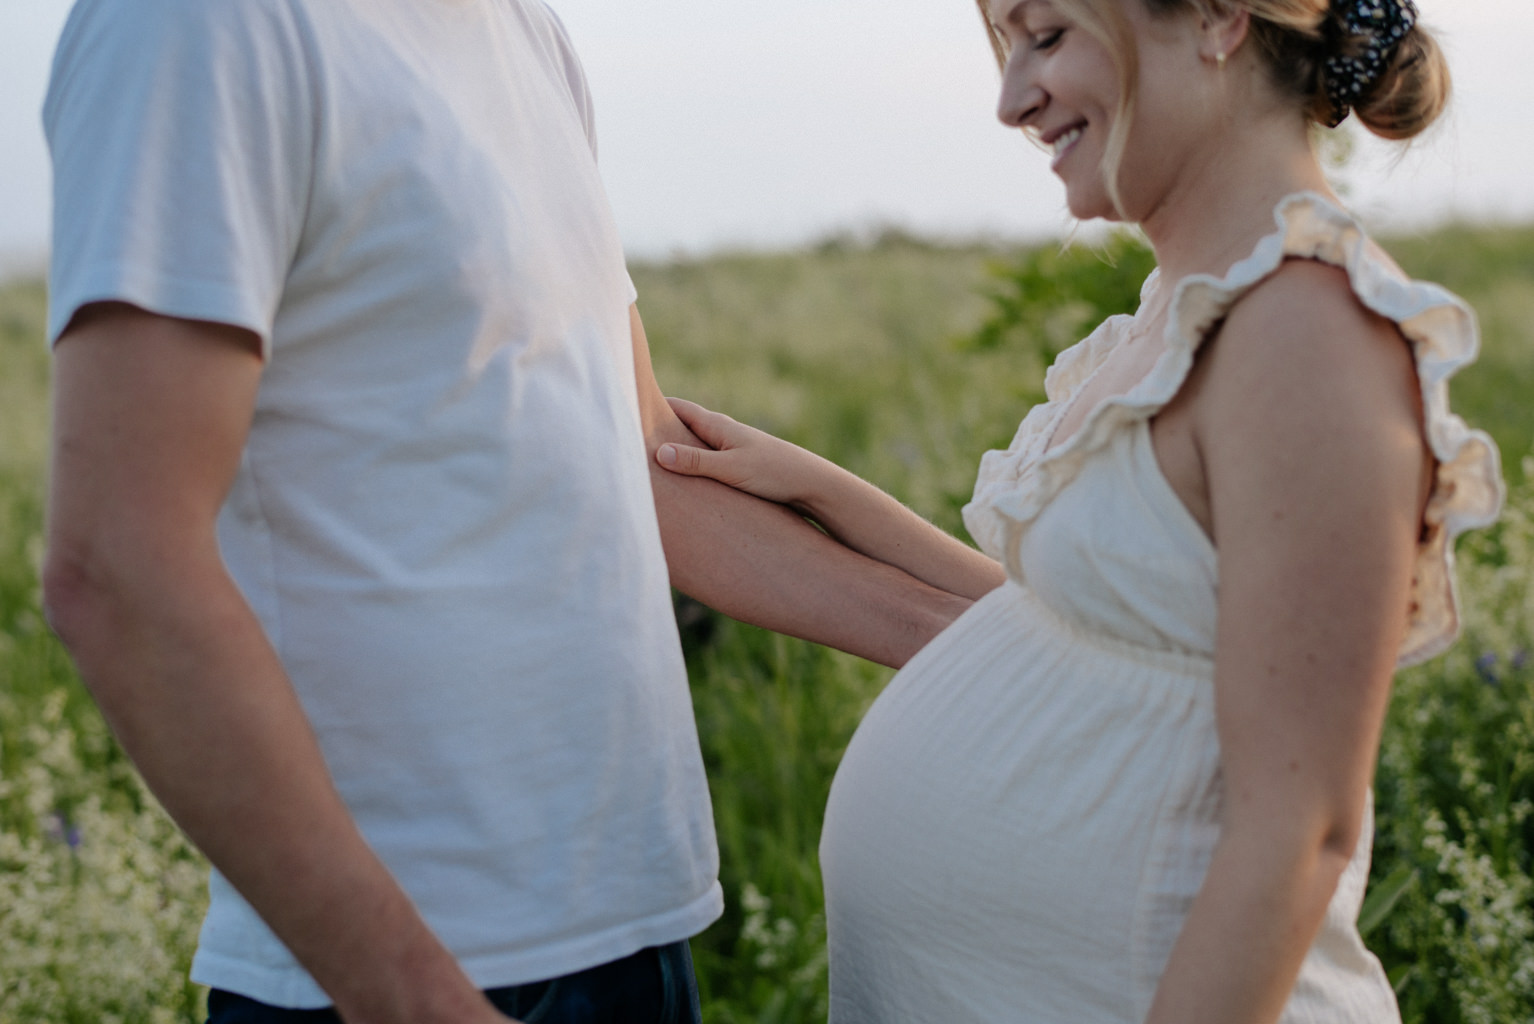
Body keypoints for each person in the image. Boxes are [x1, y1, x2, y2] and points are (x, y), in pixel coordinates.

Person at [37, 1, 978, 1022]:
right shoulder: (201, 27)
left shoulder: (524, 30)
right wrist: (416, 999)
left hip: (638, 933)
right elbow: (123, 568)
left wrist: (1003, 648)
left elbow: (644, 462)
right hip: (402, 975)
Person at [653, 0, 1505, 1019]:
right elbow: (1089, 635)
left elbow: (1297, 828)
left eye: (1046, 37)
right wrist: (830, 495)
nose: (1013, 99)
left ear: (1217, 17)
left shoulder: (1309, 333)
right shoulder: (1187, 312)